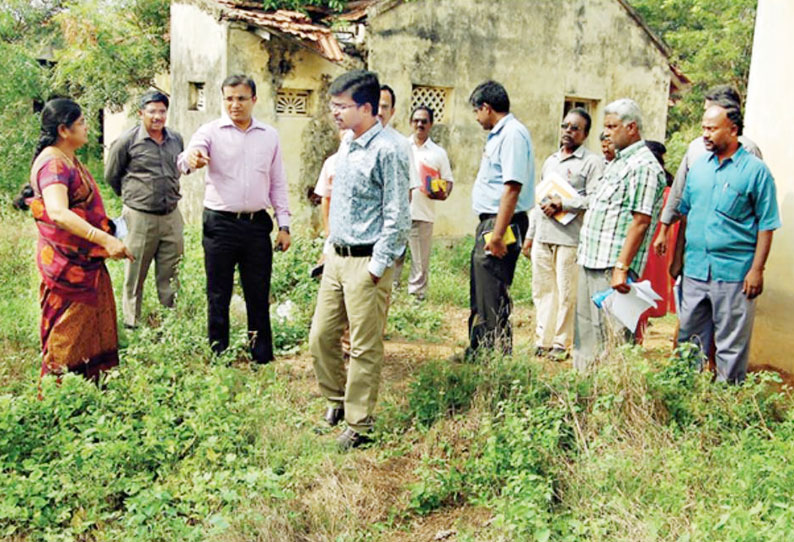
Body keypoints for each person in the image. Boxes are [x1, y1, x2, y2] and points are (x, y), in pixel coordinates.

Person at [308, 70, 411, 450]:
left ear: (366, 108)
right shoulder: (348, 144)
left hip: (367, 260)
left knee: (365, 346)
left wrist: (378, 265)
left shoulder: (391, 149)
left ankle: (359, 423)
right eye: (332, 105)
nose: (334, 113)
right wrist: (329, 248)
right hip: (337, 257)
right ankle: (336, 400)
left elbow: (398, 214)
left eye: (341, 106)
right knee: (321, 336)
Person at [177, 74, 291, 364]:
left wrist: (284, 224)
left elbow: (277, 182)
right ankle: (218, 354)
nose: (234, 104)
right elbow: (187, 158)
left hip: (256, 226)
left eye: (241, 98)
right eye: (229, 98)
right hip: (220, 225)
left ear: (254, 99)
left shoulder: (269, 136)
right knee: (218, 292)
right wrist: (192, 159)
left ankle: (261, 356)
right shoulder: (210, 131)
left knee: (258, 292)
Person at [18, 98, 132, 384]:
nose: (87, 127)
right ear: (63, 130)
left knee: (93, 325)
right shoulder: (53, 163)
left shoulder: (66, 157)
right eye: (81, 122)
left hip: (83, 261)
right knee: (67, 332)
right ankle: (58, 395)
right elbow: (57, 212)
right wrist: (103, 238)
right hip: (68, 265)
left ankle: (90, 387)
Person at [676, 102, 779, 383]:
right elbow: (686, 214)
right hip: (696, 271)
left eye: (711, 129)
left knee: (730, 346)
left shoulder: (756, 172)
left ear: (733, 130)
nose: (705, 135)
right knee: (688, 341)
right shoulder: (698, 169)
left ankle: (726, 406)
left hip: (735, 275)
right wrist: (679, 262)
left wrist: (757, 269)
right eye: (703, 129)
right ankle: (684, 394)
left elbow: (767, 225)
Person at [574, 98, 665, 371]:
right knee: (586, 335)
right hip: (591, 258)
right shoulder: (617, 162)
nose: (607, 133)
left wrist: (621, 267)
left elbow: (641, 221)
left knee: (611, 339)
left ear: (632, 128)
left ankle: (610, 400)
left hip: (612, 268)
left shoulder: (644, 166)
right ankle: (583, 394)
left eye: (613, 126)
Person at [522, 108, 603, 360]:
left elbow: (595, 199)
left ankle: (561, 342)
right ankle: (543, 339)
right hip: (544, 236)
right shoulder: (550, 161)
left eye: (575, 128)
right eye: (565, 126)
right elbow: (539, 200)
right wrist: (530, 235)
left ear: (585, 134)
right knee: (543, 290)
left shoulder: (591, 163)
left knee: (567, 292)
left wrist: (564, 203)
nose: (568, 131)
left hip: (570, 239)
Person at [463, 80, 534, 358]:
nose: (476, 117)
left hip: (501, 222)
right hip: (491, 222)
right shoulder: (500, 134)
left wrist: (497, 234)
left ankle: (494, 355)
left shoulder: (512, 135)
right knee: (482, 288)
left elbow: (512, 187)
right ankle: (479, 348)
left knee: (492, 290)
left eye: (476, 111)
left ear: (486, 107)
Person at [653, 85, 763, 259]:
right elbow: (678, 191)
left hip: (731, 251)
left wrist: (756, 265)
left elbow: (760, 212)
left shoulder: (748, 151)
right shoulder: (696, 148)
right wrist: (664, 230)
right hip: (695, 245)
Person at [105, 90, 185, 328]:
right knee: (135, 272)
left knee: (171, 272)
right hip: (139, 217)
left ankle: (171, 324)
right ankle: (132, 324)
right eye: (152, 111)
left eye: (162, 111)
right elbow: (111, 176)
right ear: (141, 113)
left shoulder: (176, 139)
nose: (158, 116)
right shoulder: (126, 141)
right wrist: (134, 198)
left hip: (171, 215)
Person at [404, 105, 454, 299]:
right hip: (398, 213)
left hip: (423, 213)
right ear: (410, 122)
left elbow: (448, 181)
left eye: (424, 121)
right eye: (416, 120)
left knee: (420, 261)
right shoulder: (401, 147)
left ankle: (417, 299)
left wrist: (442, 193)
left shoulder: (438, 153)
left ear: (431, 124)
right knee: (393, 259)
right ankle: (392, 296)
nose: (420, 124)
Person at [635, 140, 676, 344]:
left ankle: (635, 339)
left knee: (638, 292)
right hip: (657, 249)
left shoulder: (659, 189)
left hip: (647, 246)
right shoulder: (669, 190)